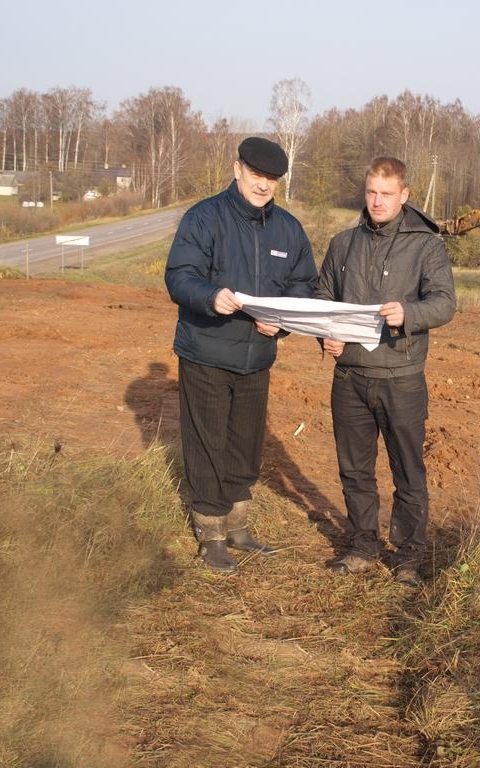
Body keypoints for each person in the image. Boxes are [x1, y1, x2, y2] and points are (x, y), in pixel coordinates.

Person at [165, 136, 317, 574]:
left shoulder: (288, 229)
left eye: (271, 179)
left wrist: (283, 322)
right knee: (207, 442)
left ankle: (238, 526)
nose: (263, 184)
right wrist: (212, 297)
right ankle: (211, 534)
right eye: (256, 175)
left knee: (245, 443)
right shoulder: (204, 218)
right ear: (237, 170)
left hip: (257, 358)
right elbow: (180, 275)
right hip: (206, 351)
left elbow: (302, 284)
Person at [315, 156, 456, 586]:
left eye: (387, 194)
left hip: (401, 378)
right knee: (354, 470)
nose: (377, 202)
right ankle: (362, 545)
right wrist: (325, 334)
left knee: (407, 472)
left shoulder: (426, 245)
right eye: (372, 192)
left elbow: (445, 303)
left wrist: (407, 313)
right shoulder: (343, 243)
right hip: (350, 378)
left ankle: (409, 557)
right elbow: (323, 297)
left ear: (404, 195)